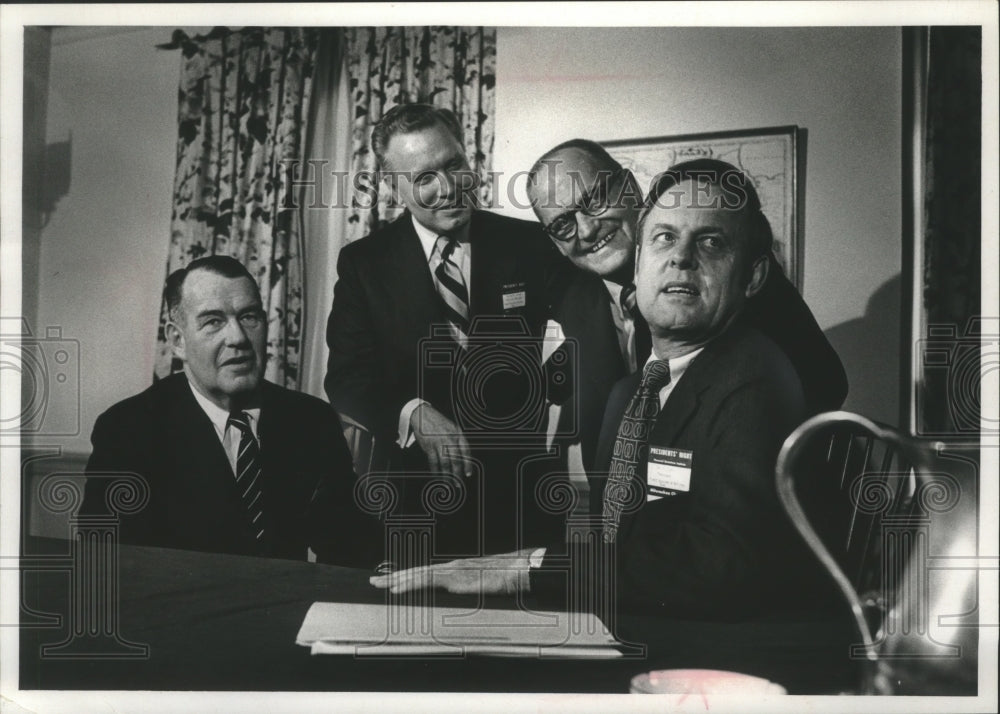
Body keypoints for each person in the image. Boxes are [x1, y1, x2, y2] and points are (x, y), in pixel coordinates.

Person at [371, 161, 836, 622]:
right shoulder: (626, 389)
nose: (680, 258)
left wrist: (527, 568)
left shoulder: (756, 376)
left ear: (753, 277)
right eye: (665, 238)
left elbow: (720, 564)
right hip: (628, 610)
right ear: (640, 260)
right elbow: (626, 544)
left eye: (710, 242)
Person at [527, 143, 847, 513]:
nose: (586, 229)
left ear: (629, 187)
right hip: (621, 524)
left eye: (594, 200)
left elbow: (824, 382)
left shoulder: (726, 272)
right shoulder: (571, 295)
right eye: (562, 224)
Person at [324, 103, 565, 561]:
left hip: (524, 498)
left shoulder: (532, 245)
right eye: (424, 178)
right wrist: (412, 411)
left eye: (454, 164)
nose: (449, 187)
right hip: (418, 502)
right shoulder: (364, 264)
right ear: (393, 187)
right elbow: (346, 378)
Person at [81, 256, 378, 566]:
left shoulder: (312, 420)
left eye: (249, 317)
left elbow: (351, 544)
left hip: (288, 596)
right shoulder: (127, 429)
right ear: (177, 341)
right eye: (213, 321)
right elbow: (110, 564)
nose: (238, 338)